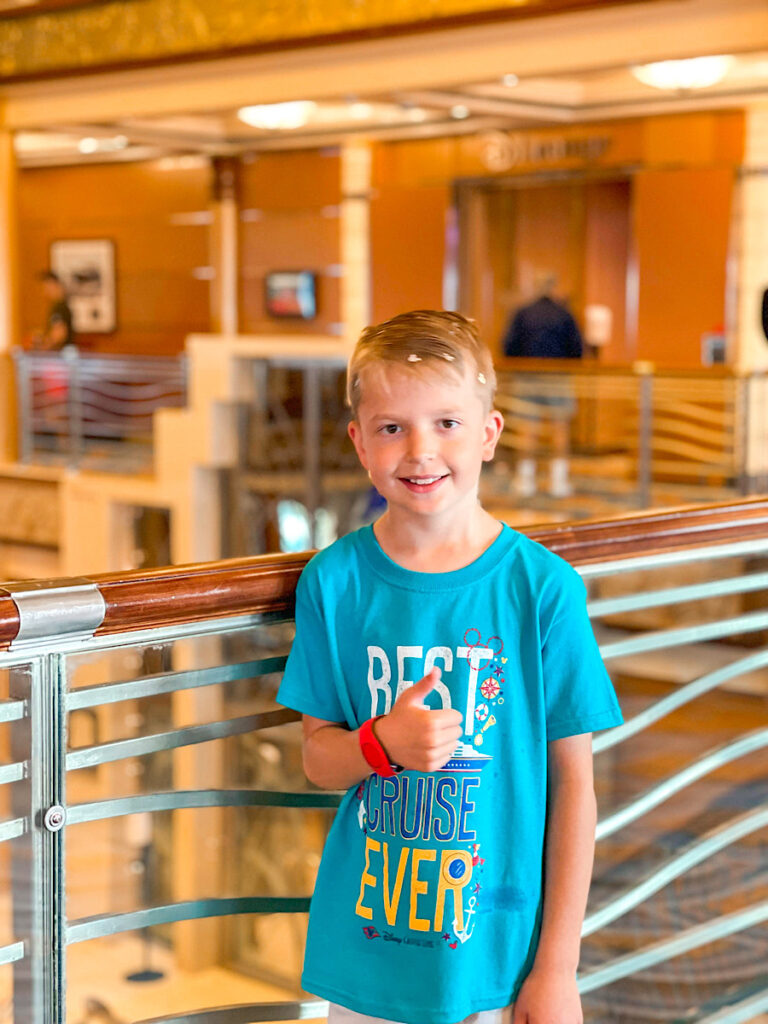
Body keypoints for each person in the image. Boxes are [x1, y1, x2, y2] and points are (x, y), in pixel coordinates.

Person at [277, 310, 623, 1024]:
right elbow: (319, 759)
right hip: (371, 947)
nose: (419, 451)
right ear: (359, 444)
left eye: (446, 423)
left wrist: (558, 968)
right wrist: (383, 744)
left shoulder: (542, 589)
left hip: (499, 956)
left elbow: (574, 789)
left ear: (489, 433)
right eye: (392, 428)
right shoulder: (333, 583)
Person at [501, 275, 583, 498]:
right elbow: (577, 348)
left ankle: (525, 479)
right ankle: (558, 480)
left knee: (527, 428)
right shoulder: (564, 313)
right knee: (560, 427)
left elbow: (508, 346)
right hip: (558, 376)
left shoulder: (523, 312)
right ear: (555, 288)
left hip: (527, 375)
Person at [36, 271, 75, 350]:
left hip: (59, 354)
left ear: (53, 284)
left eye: (46, 287)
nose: (45, 292)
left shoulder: (59, 307)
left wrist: (43, 347)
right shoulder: (63, 305)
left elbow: (59, 334)